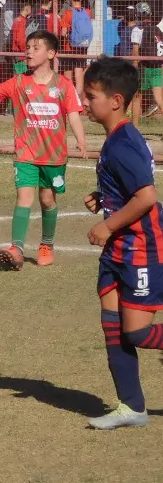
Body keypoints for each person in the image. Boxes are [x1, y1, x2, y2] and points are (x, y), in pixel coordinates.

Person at [82, 57, 163, 429]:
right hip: (118, 248)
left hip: (141, 248)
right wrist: (104, 198)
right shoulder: (117, 139)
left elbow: (146, 196)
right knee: (112, 325)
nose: (85, 102)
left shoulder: (123, 142)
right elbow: (128, 187)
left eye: (91, 95)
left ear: (115, 100)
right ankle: (132, 407)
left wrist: (108, 223)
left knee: (139, 332)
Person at [0, 30, 87, 270]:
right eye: (28, 48)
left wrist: (81, 140)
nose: (29, 52)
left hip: (54, 157)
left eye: (36, 48)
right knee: (24, 198)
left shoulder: (64, 85)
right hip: (25, 154)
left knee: (47, 200)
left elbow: (74, 116)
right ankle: (17, 248)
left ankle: (46, 245)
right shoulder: (18, 82)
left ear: (51, 53)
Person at [129, 1, 163, 123]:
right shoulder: (157, 29)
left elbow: (135, 53)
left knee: (137, 98)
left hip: (144, 68)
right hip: (157, 67)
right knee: (159, 100)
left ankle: (135, 128)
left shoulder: (137, 30)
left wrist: (134, 69)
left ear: (137, 15)